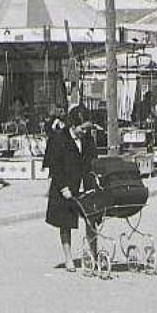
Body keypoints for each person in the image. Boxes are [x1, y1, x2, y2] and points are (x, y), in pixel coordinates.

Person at [42, 105, 98, 271]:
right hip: (65, 187)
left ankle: (92, 254)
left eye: (88, 129)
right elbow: (54, 166)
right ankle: (68, 258)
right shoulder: (59, 139)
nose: (85, 132)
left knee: (92, 219)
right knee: (65, 222)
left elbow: (93, 160)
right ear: (73, 125)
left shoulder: (88, 140)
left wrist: (95, 180)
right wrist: (63, 187)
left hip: (85, 185)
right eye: (83, 128)